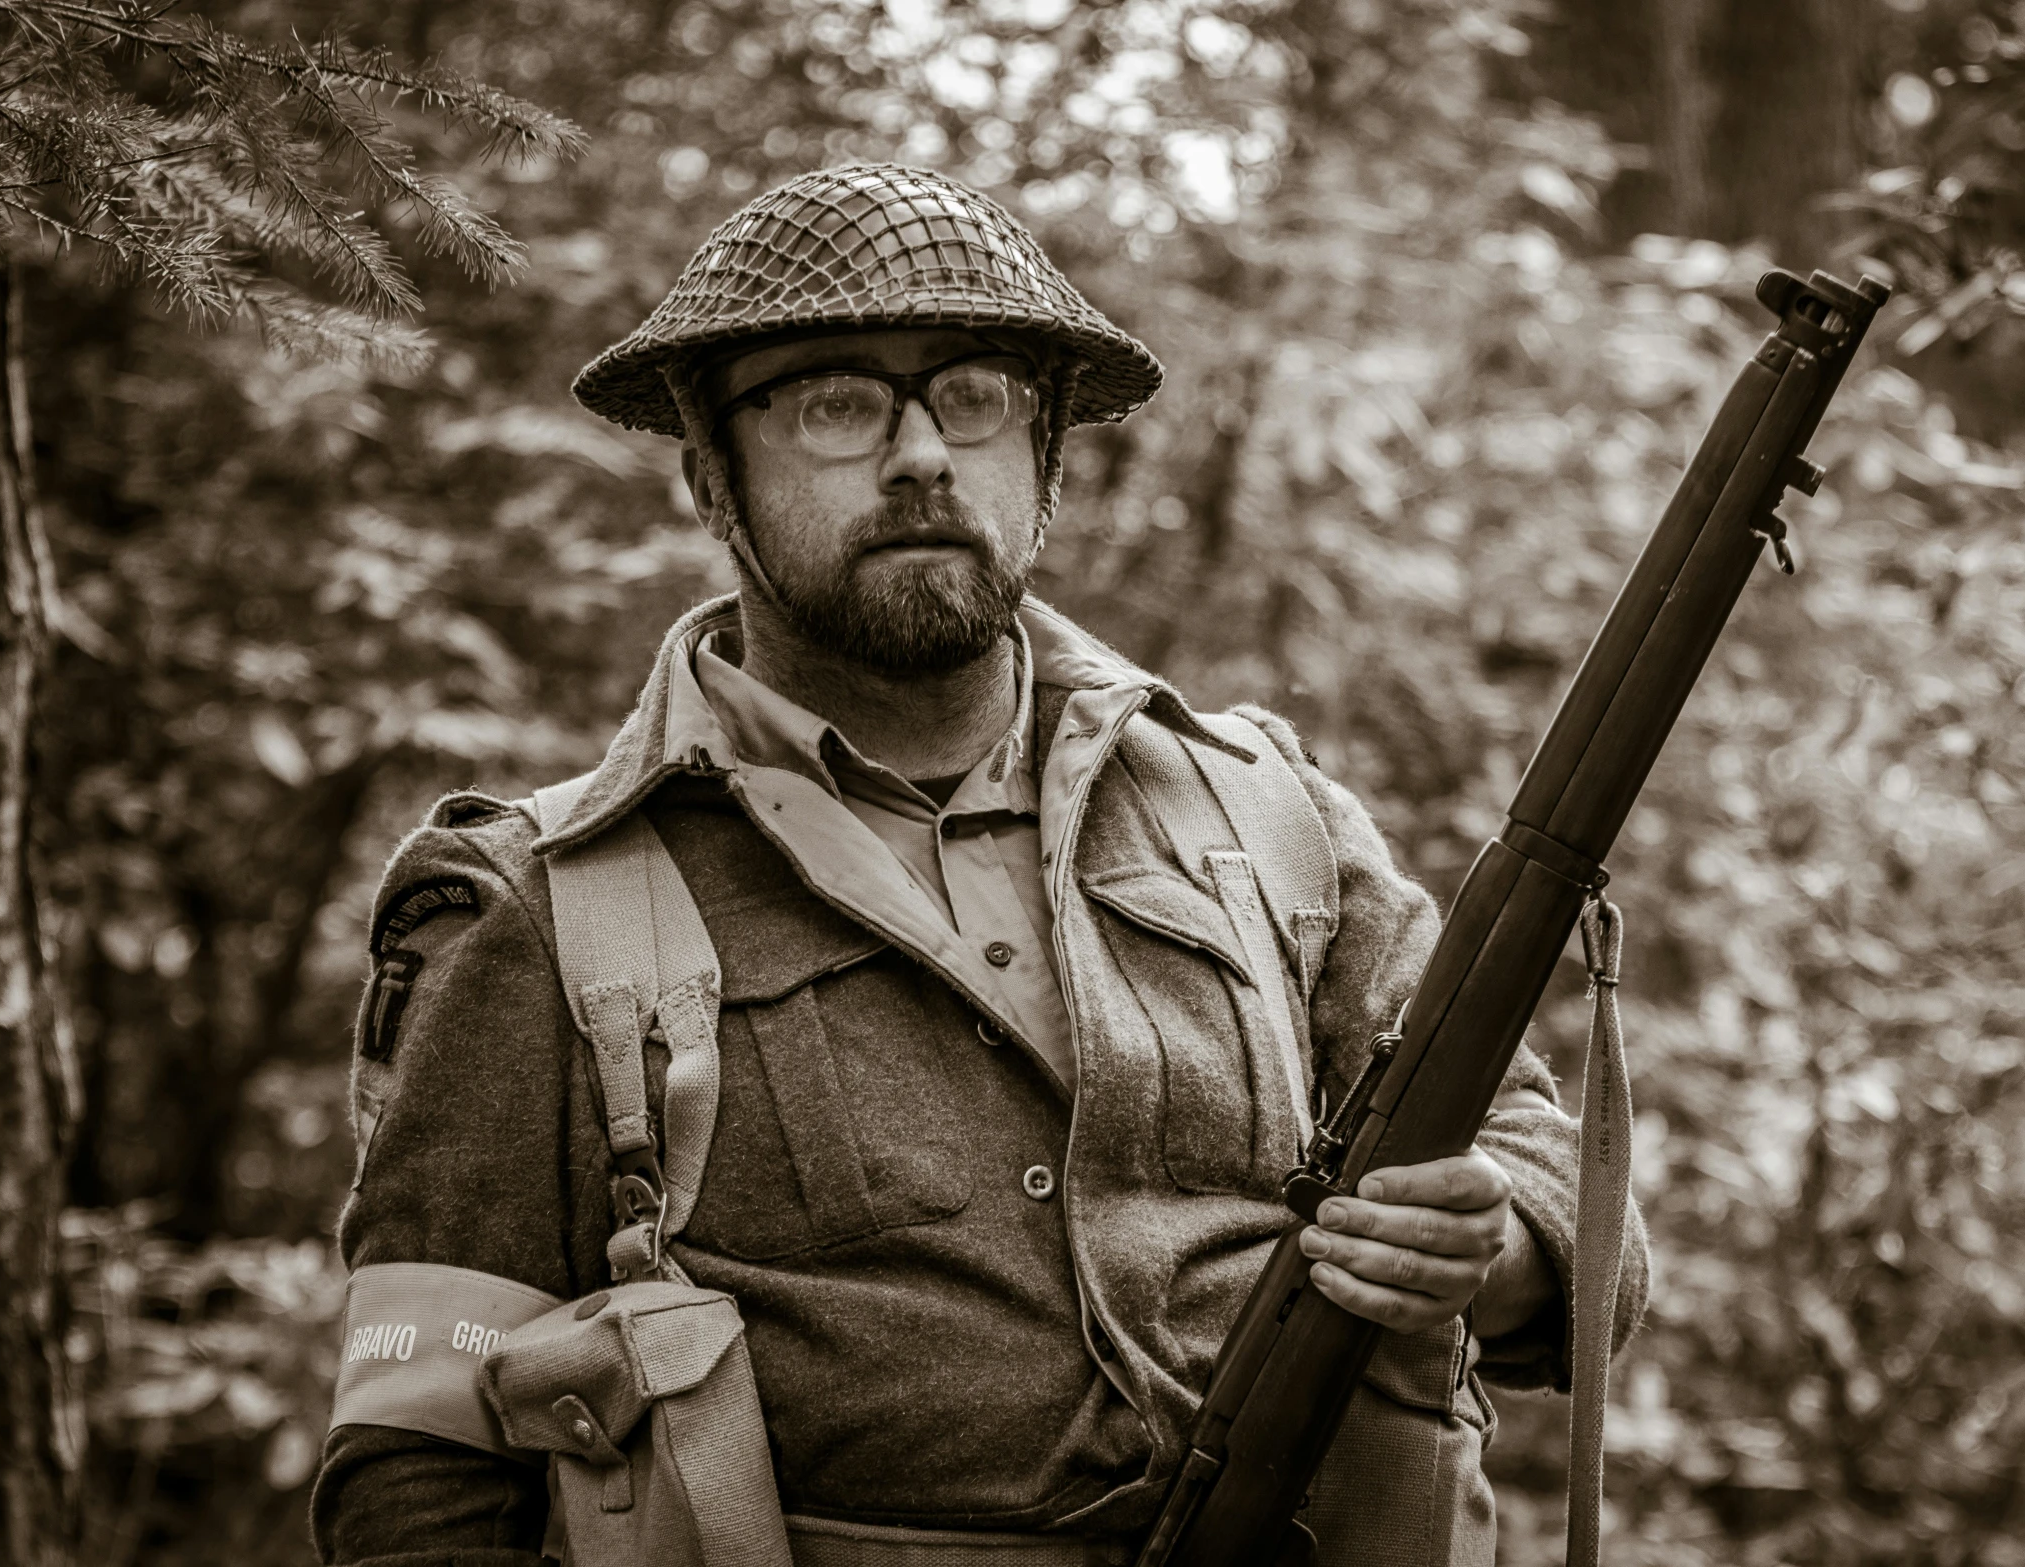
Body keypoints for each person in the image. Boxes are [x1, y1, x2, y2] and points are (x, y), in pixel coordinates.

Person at [312, 163, 1647, 1567]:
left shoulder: (1267, 813)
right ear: (713, 477)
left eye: (975, 396)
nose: (921, 454)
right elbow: (417, 1467)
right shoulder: (541, 901)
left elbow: (1572, 1210)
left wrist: (1493, 1250)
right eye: (835, 401)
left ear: (1047, 468)